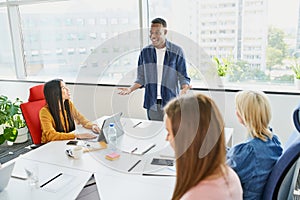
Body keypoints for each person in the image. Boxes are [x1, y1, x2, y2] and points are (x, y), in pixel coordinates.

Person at [164, 94, 243, 200]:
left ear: (186, 139)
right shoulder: (229, 176)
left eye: (169, 132)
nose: (166, 138)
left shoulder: (196, 196)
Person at [118, 17, 191, 121]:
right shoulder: (145, 52)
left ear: (165, 32)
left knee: (171, 134)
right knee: (154, 133)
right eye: (151, 32)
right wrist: (130, 89)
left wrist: (184, 88)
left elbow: (183, 76)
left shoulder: (177, 51)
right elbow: (141, 78)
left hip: (171, 102)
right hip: (152, 104)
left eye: (157, 32)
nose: (153, 36)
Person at [226, 90, 283, 199]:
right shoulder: (274, 141)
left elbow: (223, 175)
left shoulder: (249, 151)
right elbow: (237, 160)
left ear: (241, 115)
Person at [40, 79, 101, 143]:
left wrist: (92, 126)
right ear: (55, 93)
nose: (68, 89)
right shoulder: (44, 112)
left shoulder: (68, 104)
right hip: (50, 145)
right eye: (63, 88)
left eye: (66, 86)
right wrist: (77, 135)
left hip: (65, 142)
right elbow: (51, 135)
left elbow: (81, 119)